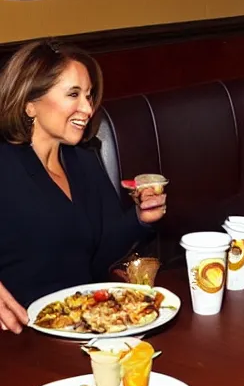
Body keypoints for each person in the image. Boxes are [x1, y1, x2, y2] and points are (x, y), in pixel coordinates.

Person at [0, 39, 167, 334]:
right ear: (29, 104)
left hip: (86, 325)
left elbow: (100, 253)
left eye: (88, 96)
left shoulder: (83, 161)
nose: (87, 108)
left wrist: (141, 218)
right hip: (18, 336)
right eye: (73, 95)